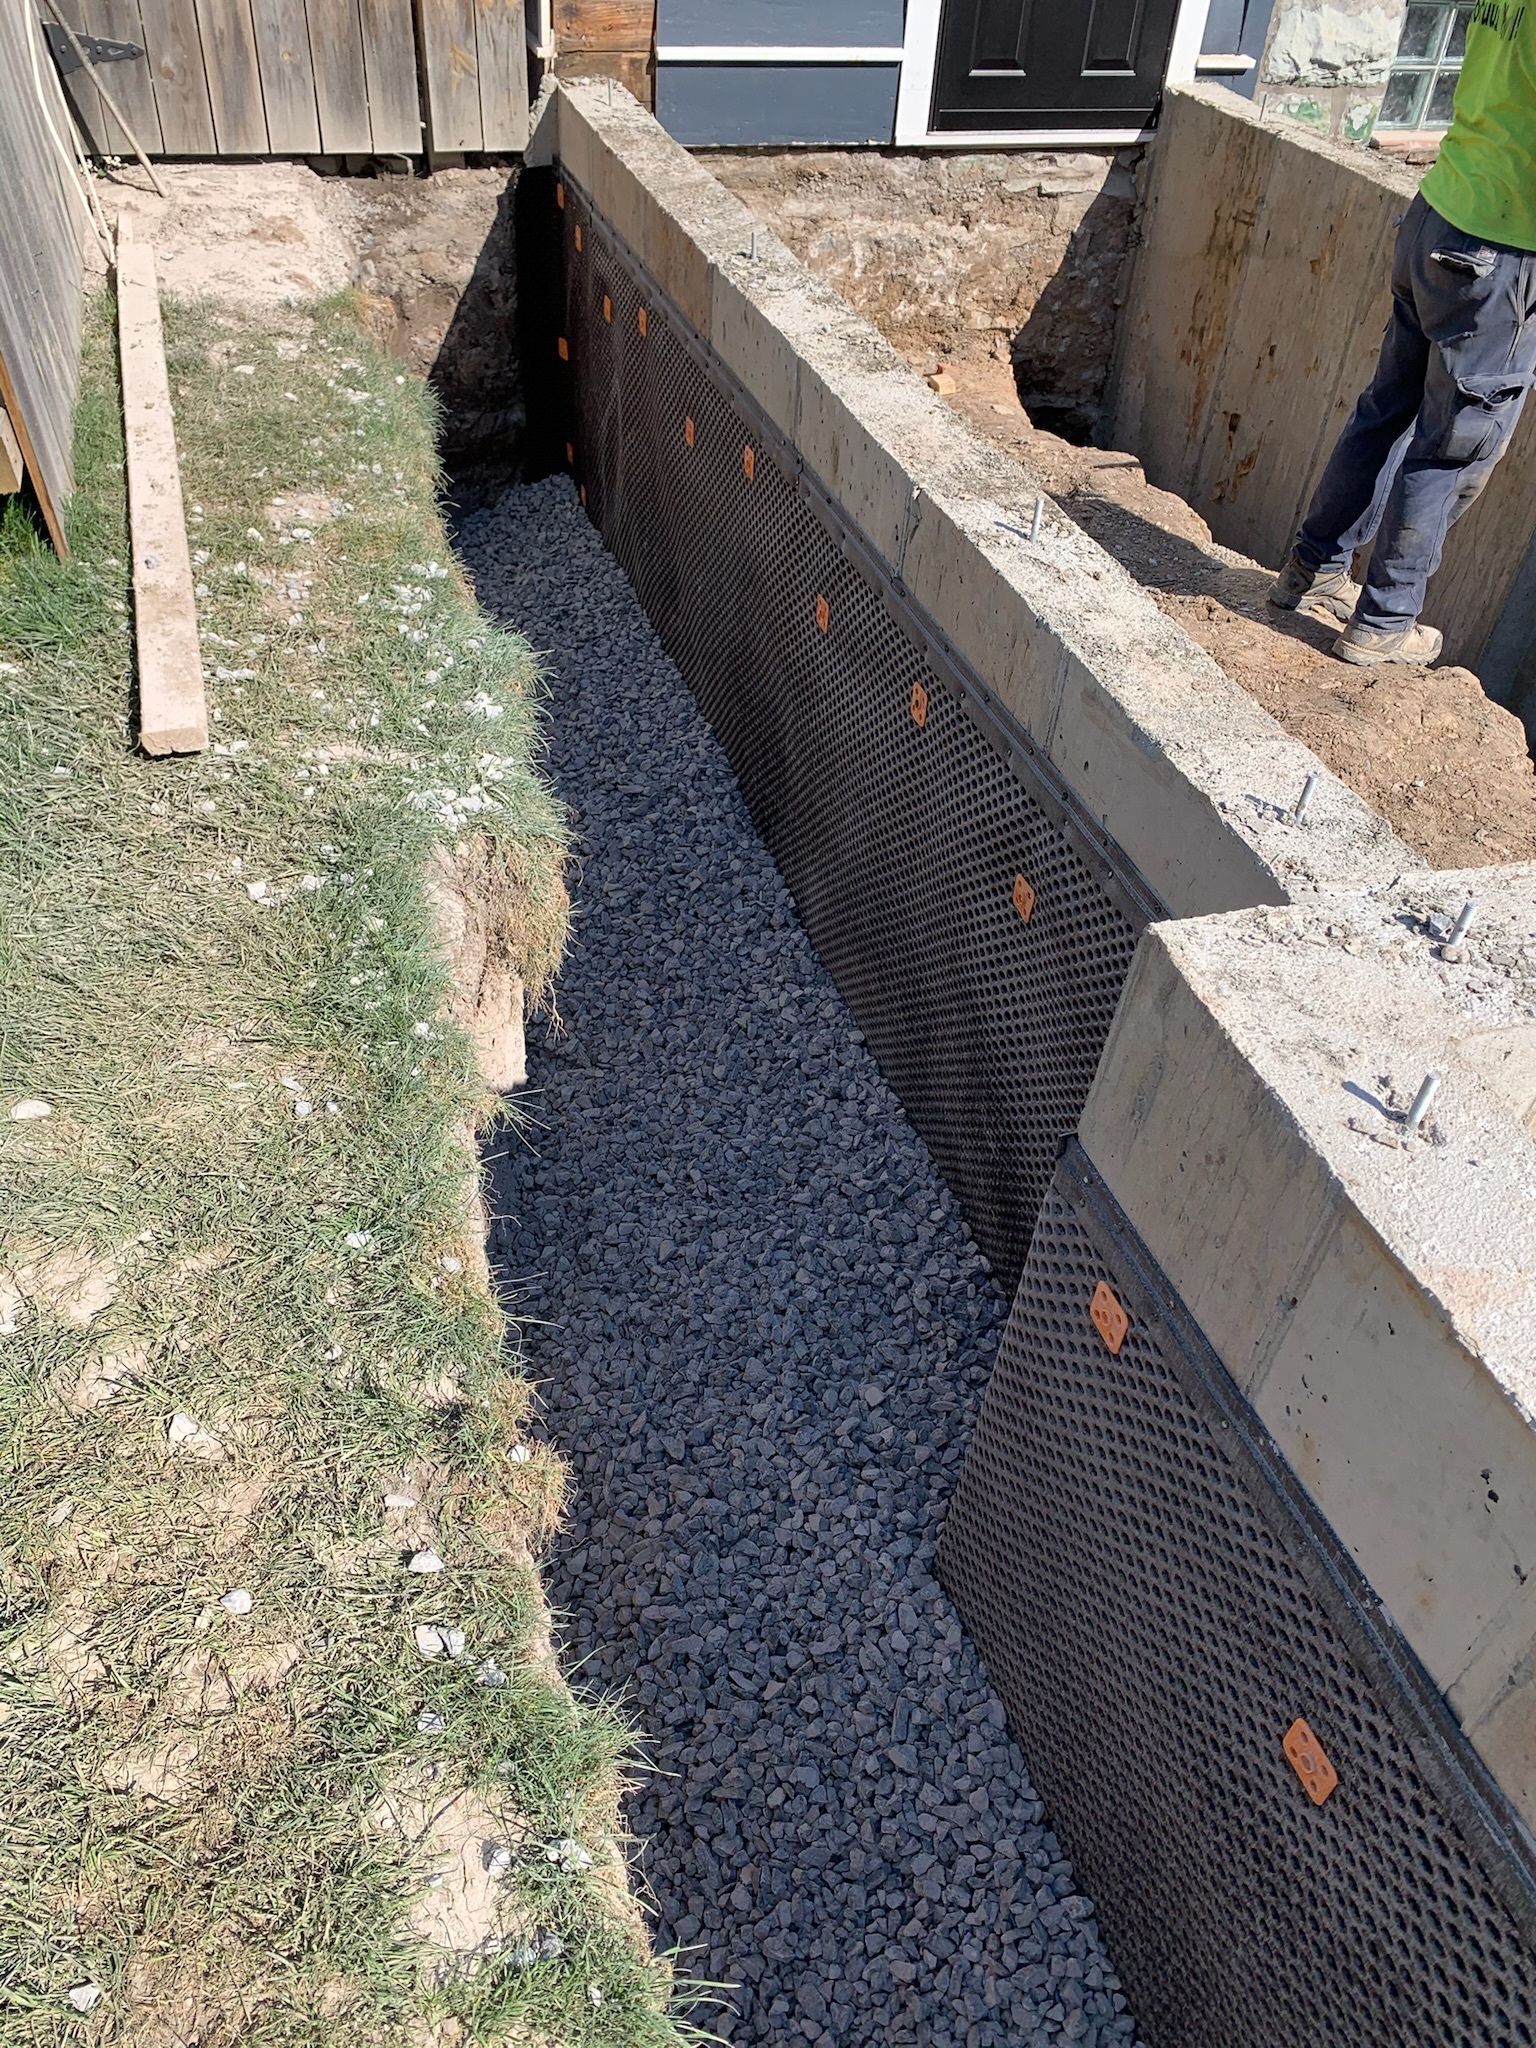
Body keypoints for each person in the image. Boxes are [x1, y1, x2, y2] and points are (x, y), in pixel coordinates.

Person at [1269, 0, 1536, 665]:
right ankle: (1385, 618)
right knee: (1452, 446)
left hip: (1437, 216)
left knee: (1387, 408)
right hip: (1500, 248)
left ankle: (1314, 566)